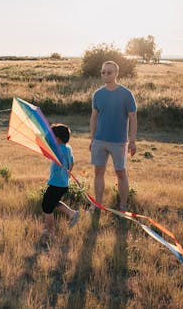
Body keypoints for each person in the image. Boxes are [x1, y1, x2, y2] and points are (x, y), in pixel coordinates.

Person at [90, 61, 137, 211]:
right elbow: (93, 118)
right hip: (99, 140)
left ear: (116, 74)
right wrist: (92, 139)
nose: (105, 75)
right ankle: (97, 205)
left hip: (119, 142)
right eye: (103, 72)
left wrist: (133, 141)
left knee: (121, 173)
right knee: (98, 172)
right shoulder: (97, 94)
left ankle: (123, 206)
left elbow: (133, 118)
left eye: (109, 72)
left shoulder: (126, 94)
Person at [41, 123, 80, 239]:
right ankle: (72, 213)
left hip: (56, 183)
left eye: (54, 137)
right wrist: (68, 173)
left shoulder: (58, 150)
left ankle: (50, 232)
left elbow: (46, 140)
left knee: (46, 207)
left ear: (57, 139)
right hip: (63, 183)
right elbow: (72, 163)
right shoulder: (68, 148)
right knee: (52, 202)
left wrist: (48, 129)